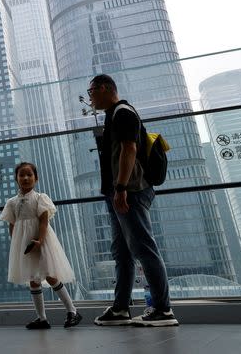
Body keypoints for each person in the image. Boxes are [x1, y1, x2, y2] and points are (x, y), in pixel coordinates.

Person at [88, 74, 178, 327]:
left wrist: (121, 187)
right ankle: (120, 309)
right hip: (119, 192)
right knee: (123, 252)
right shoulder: (113, 115)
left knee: (143, 248)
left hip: (130, 191)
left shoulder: (123, 112)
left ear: (105, 88)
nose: (91, 96)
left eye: (92, 90)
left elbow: (130, 149)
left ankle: (163, 309)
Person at [0, 162, 82, 329]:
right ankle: (42, 318)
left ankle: (72, 311)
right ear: (16, 178)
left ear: (36, 178)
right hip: (25, 244)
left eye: (29, 175)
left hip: (41, 241)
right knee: (33, 279)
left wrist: (40, 240)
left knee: (50, 275)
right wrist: (16, 244)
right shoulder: (12, 202)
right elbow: (12, 225)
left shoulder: (40, 198)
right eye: (21, 175)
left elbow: (44, 222)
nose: (25, 178)